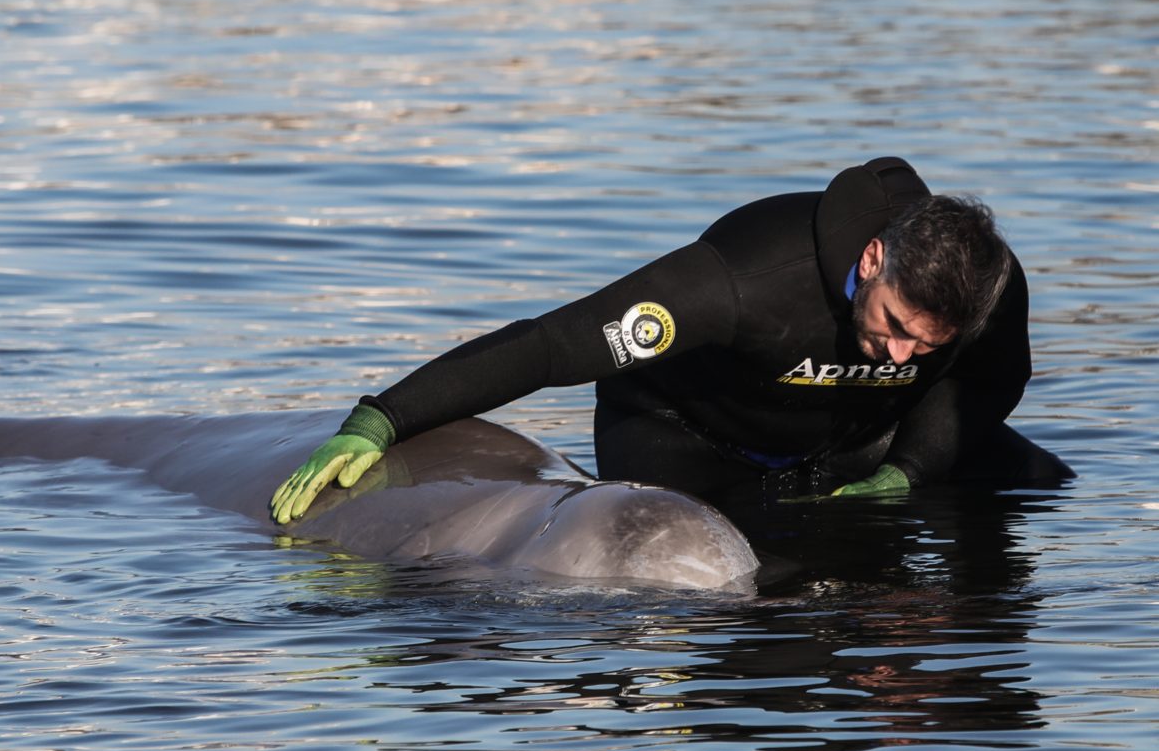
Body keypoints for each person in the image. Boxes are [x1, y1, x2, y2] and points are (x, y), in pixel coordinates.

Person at [270, 156, 1071, 524]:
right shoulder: (745, 277)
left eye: (924, 348)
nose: (901, 357)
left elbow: (983, 388)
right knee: (747, 576)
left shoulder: (984, 292)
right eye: (894, 327)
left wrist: (908, 471)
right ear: (873, 259)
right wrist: (382, 418)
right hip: (685, 439)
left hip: (856, 443)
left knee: (1040, 485)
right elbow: (554, 344)